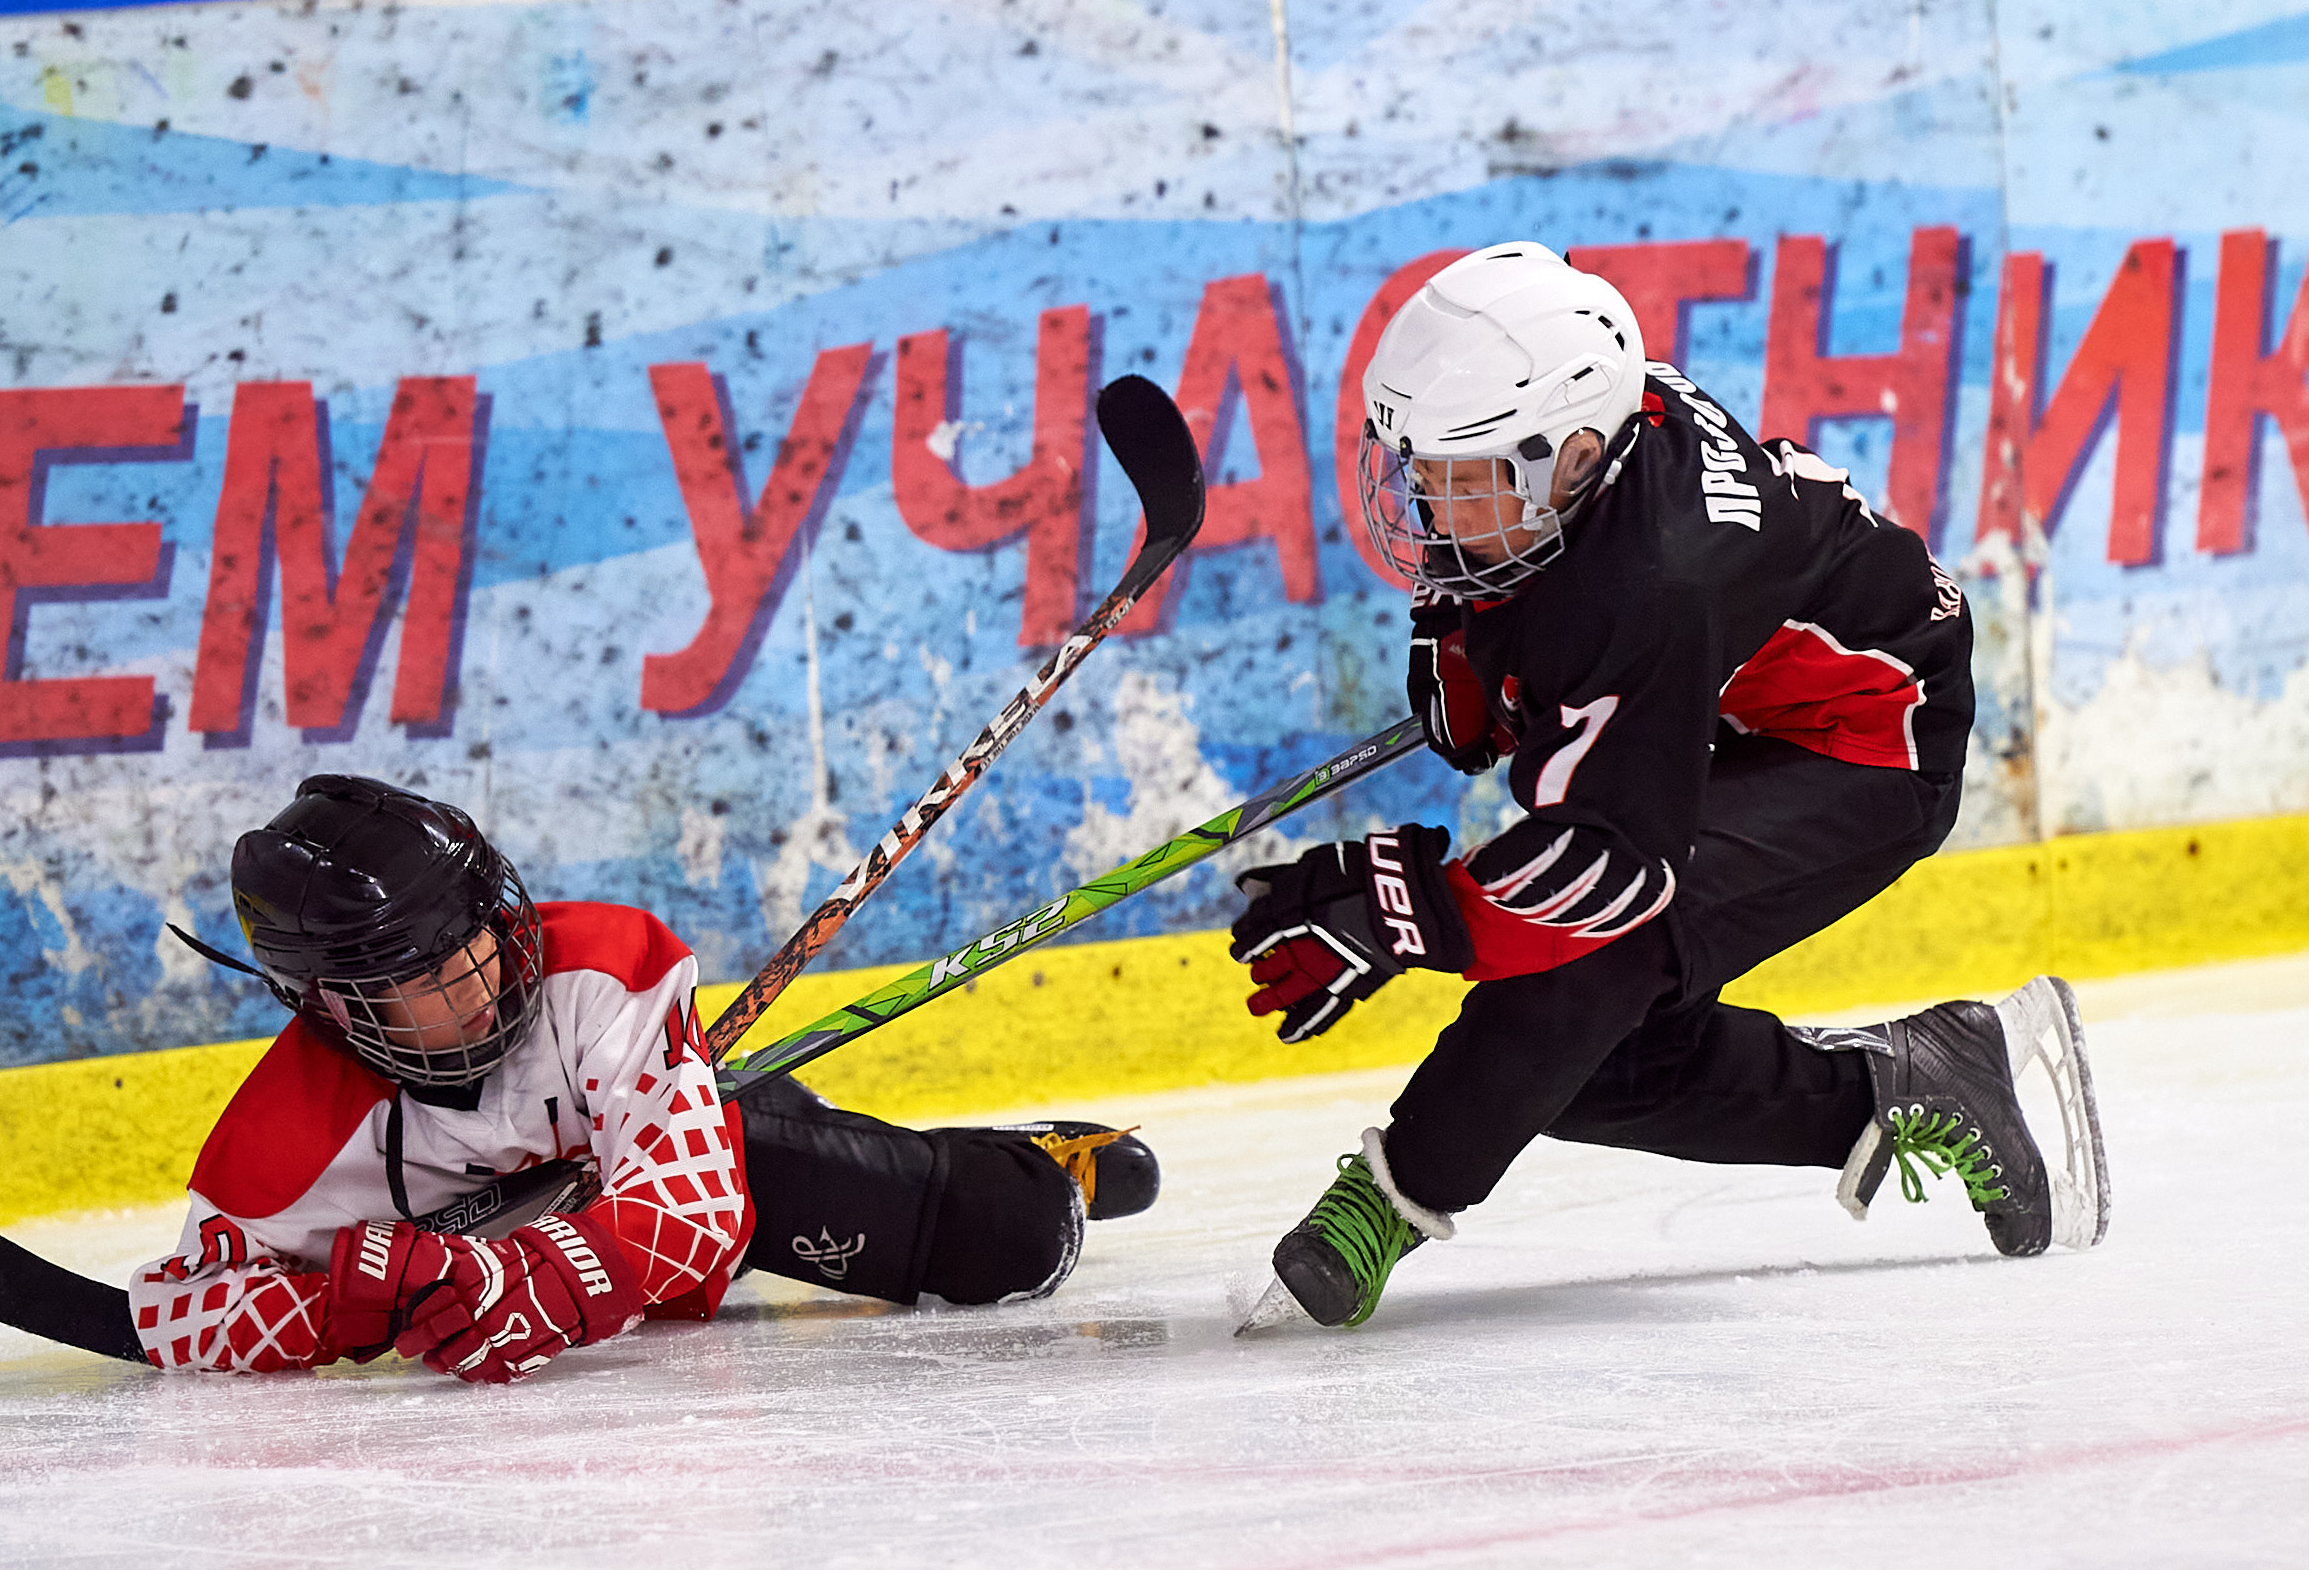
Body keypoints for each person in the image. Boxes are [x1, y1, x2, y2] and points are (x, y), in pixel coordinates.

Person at [1229, 242, 2107, 1330]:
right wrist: (1471, 640)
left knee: (1602, 955)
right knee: (1588, 1070)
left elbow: (1604, 870)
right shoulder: (1587, 446)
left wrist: (1406, 910)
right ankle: (1924, 1076)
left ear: (1576, 453)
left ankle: (1386, 1204)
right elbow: (1558, 586)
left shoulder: (1657, 575)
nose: (1436, 507)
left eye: (1468, 478)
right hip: (1741, 706)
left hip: (1870, 740)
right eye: (1424, 471)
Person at [133, 774, 1157, 1380]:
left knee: (1010, 1235)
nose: (487, 971)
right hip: (626, 1217)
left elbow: (696, 1211)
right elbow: (174, 1309)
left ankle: (1020, 1160)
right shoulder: (281, 1145)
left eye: (482, 931)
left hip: (714, 1171)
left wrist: (513, 1276)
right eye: (433, 973)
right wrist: (339, 1307)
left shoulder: (597, 964)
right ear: (335, 1005)